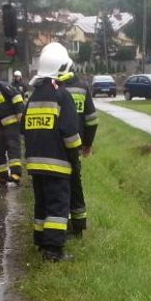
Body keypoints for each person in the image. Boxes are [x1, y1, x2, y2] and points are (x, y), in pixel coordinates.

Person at [22, 42, 83, 261]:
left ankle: (41, 241)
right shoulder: (62, 95)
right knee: (58, 206)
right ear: (62, 68)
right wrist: (76, 152)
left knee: (42, 204)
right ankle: (54, 251)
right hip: (57, 164)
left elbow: (23, 128)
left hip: (35, 165)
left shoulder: (34, 96)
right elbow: (70, 132)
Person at [61, 69, 98, 236]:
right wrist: (87, 144)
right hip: (75, 145)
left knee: (59, 185)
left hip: (56, 145)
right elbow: (92, 119)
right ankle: (78, 227)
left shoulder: (54, 87)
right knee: (75, 184)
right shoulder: (82, 87)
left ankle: (63, 223)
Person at [0, 76, 24, 184]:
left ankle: (16, 174)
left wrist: (20, 116)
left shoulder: (2, 86)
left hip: (11, 124)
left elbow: (17, 98)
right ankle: (1, 176)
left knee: (13, 148)